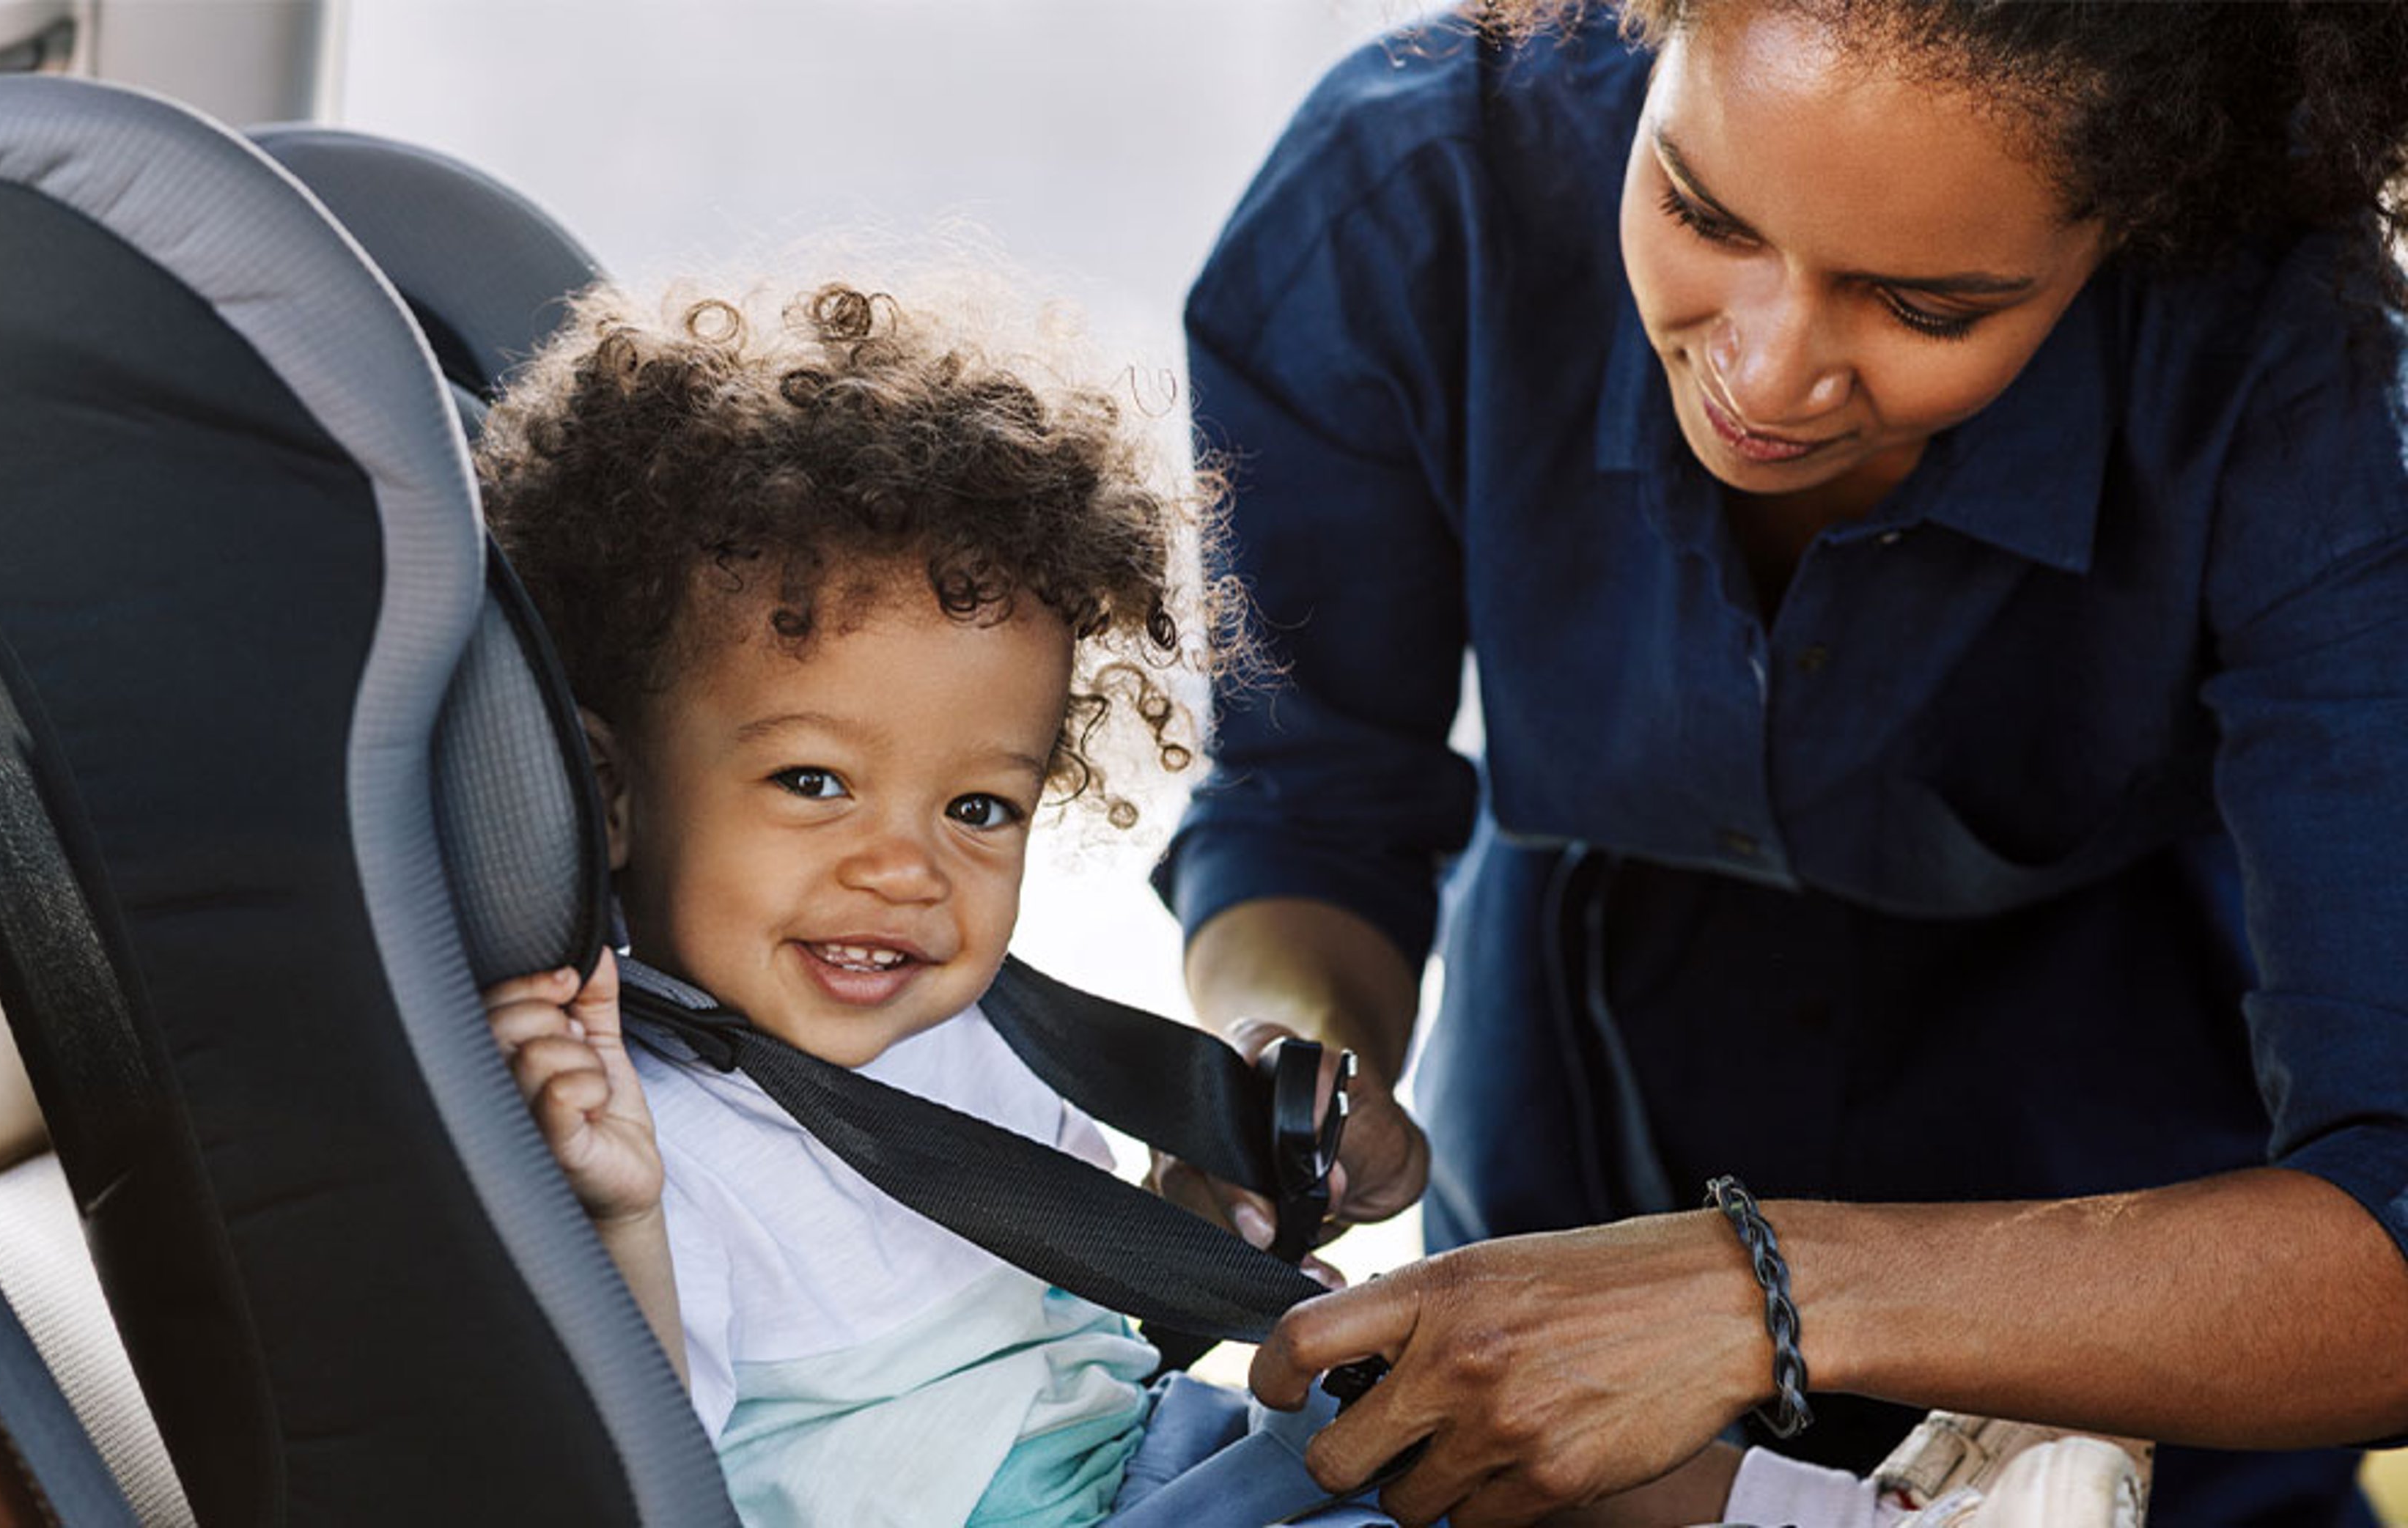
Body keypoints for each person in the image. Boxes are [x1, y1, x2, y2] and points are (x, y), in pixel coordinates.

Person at [1152, 3, 2408, 1527]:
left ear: (2134, 223)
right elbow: (1311, 799)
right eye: (1698, 210)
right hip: (1571, 1085)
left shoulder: (2301, 354)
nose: (1767, 372)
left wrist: (1758, 1286)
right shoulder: (1409, 190)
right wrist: (1289, 1063)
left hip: (2132, 1170)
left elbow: (2390, 1222)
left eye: (1926, 306)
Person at [469, 275, 1401, 1528]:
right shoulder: (643, 1141)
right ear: (610, 788)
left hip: (1165, 1461)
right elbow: (635, 1480)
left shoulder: (981, 1030)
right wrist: (620, 1217)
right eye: (814, 782)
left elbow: (1073, 1330)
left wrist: (1200, 1212)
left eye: (978, 809)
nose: (906, 869)